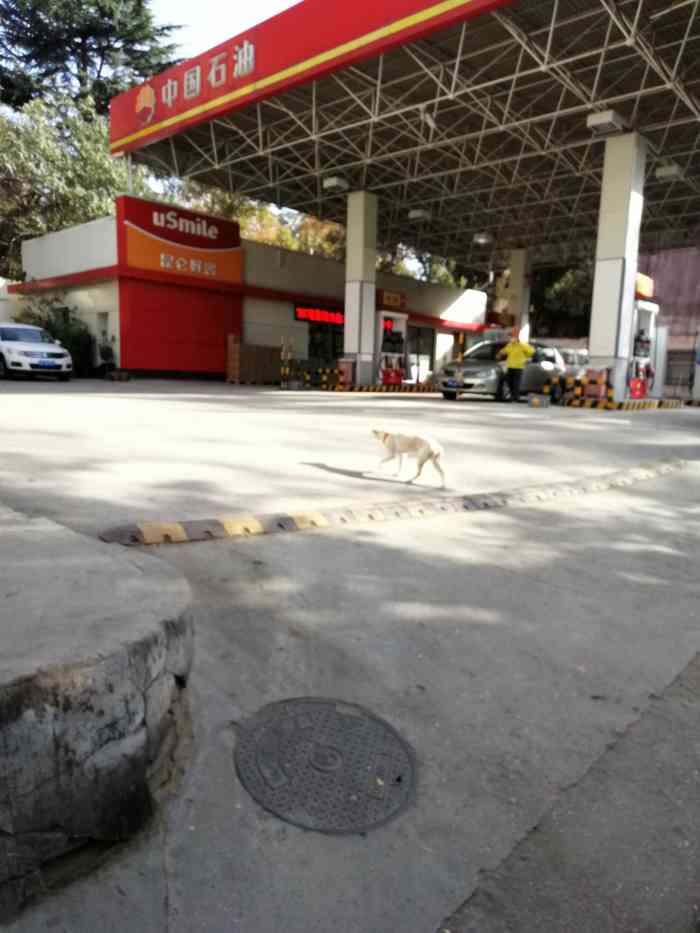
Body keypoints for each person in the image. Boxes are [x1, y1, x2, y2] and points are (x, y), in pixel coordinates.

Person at [497, 329, 535, 402]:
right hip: (510, 366)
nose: (511, 339)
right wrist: (499, 354)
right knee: (510, 382)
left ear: (517, 338)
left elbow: (532, 351)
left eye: (512, 337)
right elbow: (504, 351)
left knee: (516, 383)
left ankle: (515, 397)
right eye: (511, 337)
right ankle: (513, 395)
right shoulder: (510, 345)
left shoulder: (522, 345)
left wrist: (527, 357)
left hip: (518, 367)